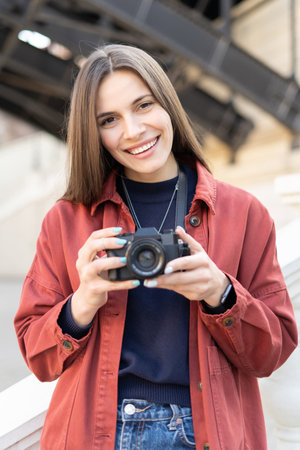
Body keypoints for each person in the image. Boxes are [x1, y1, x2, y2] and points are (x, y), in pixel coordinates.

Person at [14, 43, 297, 450]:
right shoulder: (67, 220)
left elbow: (272, 353)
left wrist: (221, 294)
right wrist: (82, 303)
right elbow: (38, 359)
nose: (133, 131)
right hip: (97, 433)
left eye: (144, 105)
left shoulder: (243, 213)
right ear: (92, 132)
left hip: (205, 434)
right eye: (109, 119)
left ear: (167, 105)